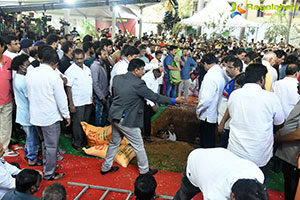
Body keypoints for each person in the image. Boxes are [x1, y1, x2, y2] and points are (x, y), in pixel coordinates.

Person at [101, 59, 183, 175]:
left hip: (115, 116)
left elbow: (115, 95)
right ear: (136, 70)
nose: (143, 72)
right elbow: (155, 97)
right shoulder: (138, 84)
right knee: (139, 146)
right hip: (127, 120)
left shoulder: (117, 78)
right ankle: (144, 170)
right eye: (142, 69)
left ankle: (105, 167)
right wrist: (174, 100)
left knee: (114, 143)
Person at [227, 63, 285, 177]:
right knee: (256, 186)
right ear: (262, 79)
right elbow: (280, 122)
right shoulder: (270, 98)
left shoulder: (235, 95)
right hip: (259, 153)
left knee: (234, 182)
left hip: (236, 149)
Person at [26, 48, 70, 181]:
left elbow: (28, 94)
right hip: (49, 117)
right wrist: (66, 115)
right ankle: (49, 173)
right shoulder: (54, 76)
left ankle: (47, 167)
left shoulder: (31, 73)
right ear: (55, 63)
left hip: (35, 115)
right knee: (51, 147)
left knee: (44, 143)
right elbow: (61, 99)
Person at [173, 148, 268, 200]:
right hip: (197, 162)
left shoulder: (257, 174)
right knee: (184, 194)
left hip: (221, 158)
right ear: (233, 196)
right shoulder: (214, 194)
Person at [11, 54, 40, 166]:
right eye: (27, 64)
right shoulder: (23, 82)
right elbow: (31, 97)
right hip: (28, 113)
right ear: (20, 67)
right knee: (32, 136)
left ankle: (28, 153)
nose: (29, 66)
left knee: (29, 136)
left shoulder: (18, 77)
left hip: (24, 111)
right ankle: (32, 158)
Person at [275, 82, 300, 200]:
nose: (297, 87)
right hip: (289, 156)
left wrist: (279, 139)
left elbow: (298, 134)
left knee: (292, 189)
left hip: (294, 157)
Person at [64, 48, 93, 150]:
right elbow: (68, 87)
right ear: (73, 58)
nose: (79, 61)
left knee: (85, 123)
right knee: (77, 123)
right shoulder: (70, 71)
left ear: (84, 57)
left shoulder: (87, 69)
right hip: (77, 102)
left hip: (88, 100)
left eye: (81, 58)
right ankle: (77, 143)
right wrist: (71, 104)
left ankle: (84, 141)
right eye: (77, 59)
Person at [196, 53, 226, 148]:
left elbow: (206, 99)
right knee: (211, 137)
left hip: (208, 113)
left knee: (206, 140)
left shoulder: (210, 76)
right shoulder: (221, 72)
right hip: (216, 110)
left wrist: (198, 110)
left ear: (205, 63)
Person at [1, 35, 20, 157]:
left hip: (7, 99)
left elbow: (13, 81)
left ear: (2, 47)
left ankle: (3, 149)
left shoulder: (9, 61)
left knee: (6, 125)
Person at [91, 47, 109, 127]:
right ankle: (98, 131)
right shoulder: (95, 66)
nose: (106, 56)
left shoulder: (103, 64)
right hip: (99, 96)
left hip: (105, 94)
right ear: (99, 56)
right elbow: (95, 83)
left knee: (104, 113)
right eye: (104, 54)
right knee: (99, 114)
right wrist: (101, 97)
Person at [142, 68, 161, 142]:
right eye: (158, 75)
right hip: (144, 99)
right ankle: (147, 135)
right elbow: (146, 93)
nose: (159, 76)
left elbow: (154, 91)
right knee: (147, 118)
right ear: (154, 72)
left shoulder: (155, 77)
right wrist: (152, 105)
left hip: (151, 98)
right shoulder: (148, 77)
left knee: (151, 113)